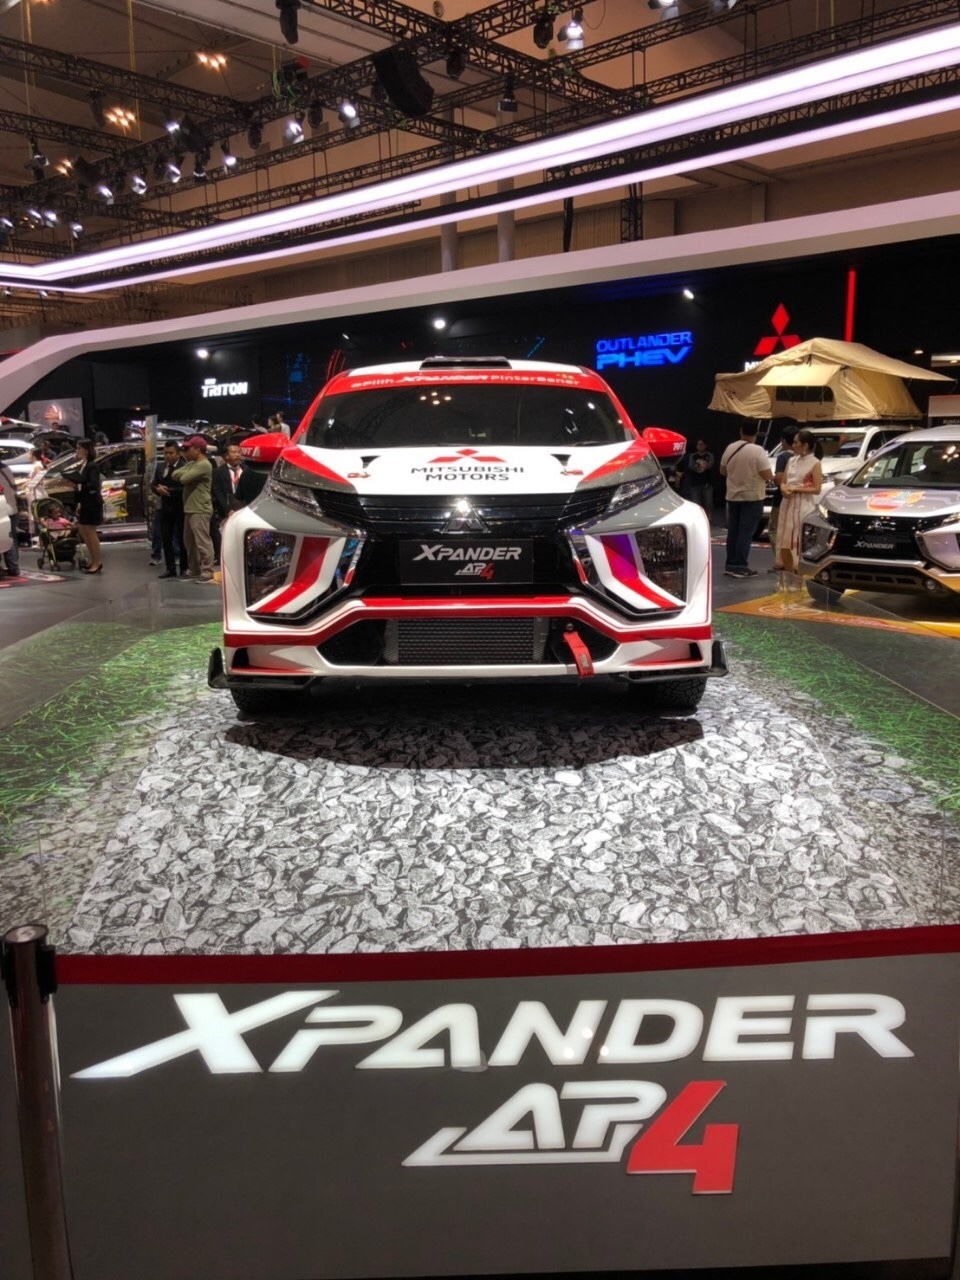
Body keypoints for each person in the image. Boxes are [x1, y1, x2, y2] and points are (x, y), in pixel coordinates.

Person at [719, 423, 774, 578]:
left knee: (733, 532)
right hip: (752, 496)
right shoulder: (757, 450)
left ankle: (730, 564)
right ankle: (741, 566)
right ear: (756, 433)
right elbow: (766, 474)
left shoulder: (730, 448)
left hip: (733, 496)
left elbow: (722, 471)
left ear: (741, 431)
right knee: (746, 533)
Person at [778, 427, 823, 584]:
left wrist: (796, 489)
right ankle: (789, 575)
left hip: (804, 505)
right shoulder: (791, 460)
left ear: (805, 445)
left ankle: (799, 577)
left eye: (796, 442)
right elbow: (783, 482)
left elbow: (817, 489)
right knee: (784, 542)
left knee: (800, 543)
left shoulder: (815, 463)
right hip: (787, 504)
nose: (793, 445)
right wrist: (784, 489)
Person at [177, 435, 215, 582]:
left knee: (202, 541)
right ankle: (194, 569)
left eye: (188, 448)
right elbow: (175, 474)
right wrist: (187, 470)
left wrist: (186, 471)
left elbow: (183, 478)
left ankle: (208, 570)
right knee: (189, 542)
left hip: (200, 508)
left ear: (197, 450)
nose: (185, 452)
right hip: (191, 507)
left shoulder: (203, 465)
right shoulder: (193, 464)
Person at [152, 441, 188, 579]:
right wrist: (157, 489)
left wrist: (169, 490)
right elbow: (153, 484)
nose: (168, 456)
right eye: (165, 453)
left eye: (171, 453)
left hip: (181, 507)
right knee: (166, 538)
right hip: (165, 508)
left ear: (178, 454)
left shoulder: (184, 467)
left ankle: (184, 567)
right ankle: (170, 568)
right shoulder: (161, 467)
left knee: (182, 539)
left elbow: (185, 487)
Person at [69, 438, 103, 574]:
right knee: (83, 530)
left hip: (92, 503)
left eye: (79, 448)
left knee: (90, 531)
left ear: (87, 450)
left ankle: (97, 562)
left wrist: (79, 483)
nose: (77, 451)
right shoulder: (84, 465)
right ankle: (93, 560)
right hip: (85, 502)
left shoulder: (92, 466)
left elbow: (93, 484)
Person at [766, 426, 797, 573]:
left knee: (775, 529)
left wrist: (772, 478)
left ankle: (780, 561)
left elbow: (779, 479)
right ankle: (791, 562)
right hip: (798, 498)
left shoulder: (783, 457)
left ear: (784, 441)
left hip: (781, 499)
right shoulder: (803, 457)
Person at [211, 443, 248, 563]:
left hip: (245, 508)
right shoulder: (218, 472)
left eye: (239, 452)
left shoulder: (247, 470)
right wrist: (227, 510)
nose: (237, 455)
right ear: (226, 456)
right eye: (233, 452)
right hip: (227, 510)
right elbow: (218, 492)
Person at [678, 438, 715, 514]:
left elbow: (710, 464)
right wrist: (701, 466)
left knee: (709, 502)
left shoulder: (709, 455)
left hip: (707, 482)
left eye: (701, 444)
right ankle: (699, 516)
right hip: (695, 482)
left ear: (705, 445)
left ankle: (710, 517)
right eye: (698, 444)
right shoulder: (693, 456)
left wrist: (701, 466)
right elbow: (691, 466)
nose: (700, 446)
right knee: (696, 503)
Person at [0, 458, 20, 577]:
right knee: (10, 538)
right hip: (12, 508)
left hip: (2, 510)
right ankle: (14, 567)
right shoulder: (6, 468)